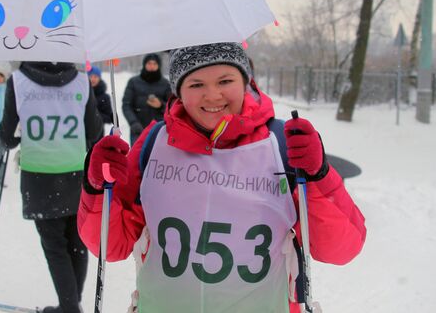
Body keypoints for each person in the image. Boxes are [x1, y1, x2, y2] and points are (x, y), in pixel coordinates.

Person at [78, 42, 366, 312]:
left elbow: (341, 249)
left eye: (225, 81)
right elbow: (111, 245)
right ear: (178, 90)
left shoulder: (280, 144)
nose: (213, 95)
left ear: (246, 82)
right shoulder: (154, 142)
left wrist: (319, 176)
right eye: (196, 84)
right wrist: (96, 186)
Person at [0, 61, 103, 313]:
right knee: (76, 242)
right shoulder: (80, 80)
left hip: (40, 175)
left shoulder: (18, 81)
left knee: (55, 246)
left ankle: (69, 307)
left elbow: (7, 137)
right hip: (75, 172)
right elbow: (95, 131)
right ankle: (71, 304)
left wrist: (25, 132)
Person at [122, 53, 171, 145]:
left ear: (158, 65)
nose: (152, 66)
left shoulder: (166, 84)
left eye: (154, 64)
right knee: (137, 158)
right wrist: (133, 122)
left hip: (159, 130)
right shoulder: (133, 82)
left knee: (158, 158)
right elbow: (126, 105)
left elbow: (172, 107)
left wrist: (160, 105)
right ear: (144, 65)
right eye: (149, 63)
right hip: (138, 129)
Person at [87, 65, 113, 135]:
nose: (93, 79)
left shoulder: (105, 97)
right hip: (83, 134)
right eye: (91, 76)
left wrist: (95, 115)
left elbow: (109, 118)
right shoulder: (83, 94)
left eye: (95, 77)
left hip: (98, 133)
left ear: (99, 78)